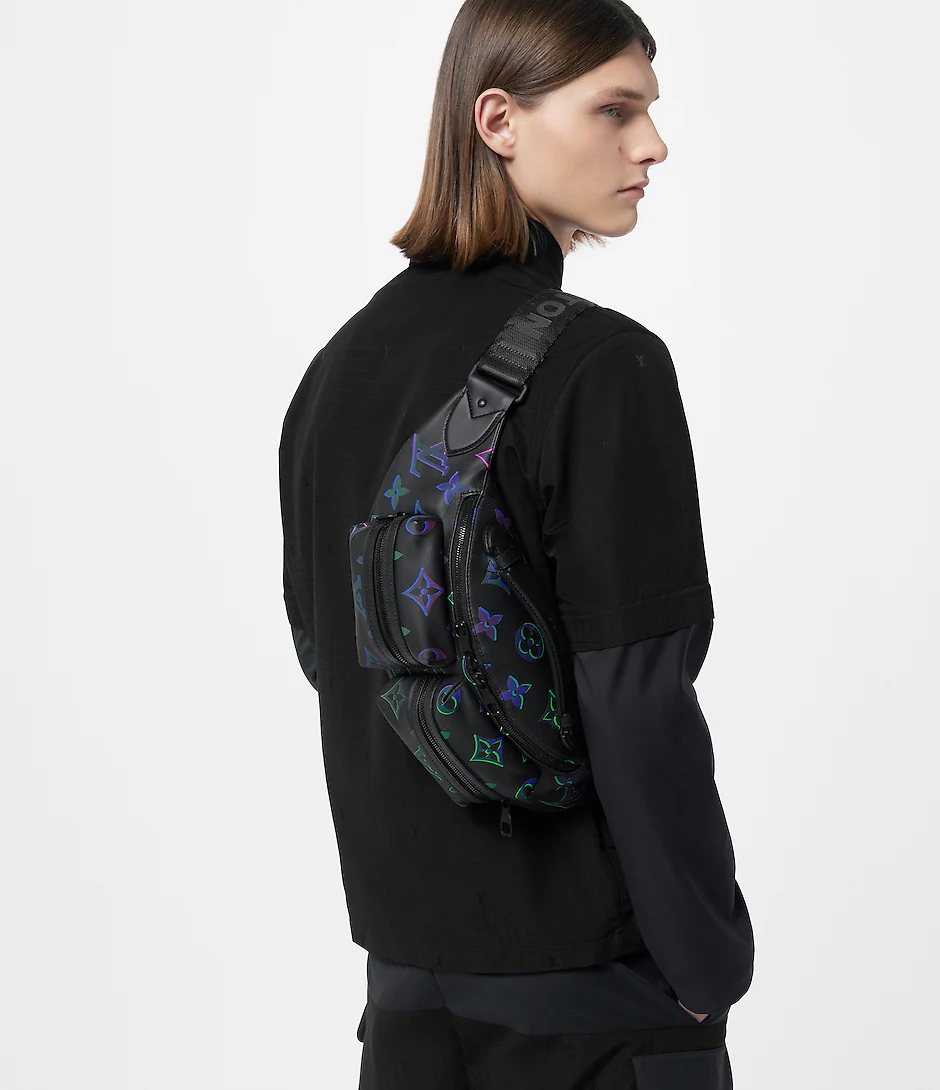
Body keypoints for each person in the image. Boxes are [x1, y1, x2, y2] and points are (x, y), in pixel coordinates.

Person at [278, 1, 755, 1086]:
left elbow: (331, 662)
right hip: (596, 1000)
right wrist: (705, 961)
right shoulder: (603, 367)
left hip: (404, 997)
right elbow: (637, 697)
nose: (652, 145)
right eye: (615, 110)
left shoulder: (333, 373)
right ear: (498, 120)